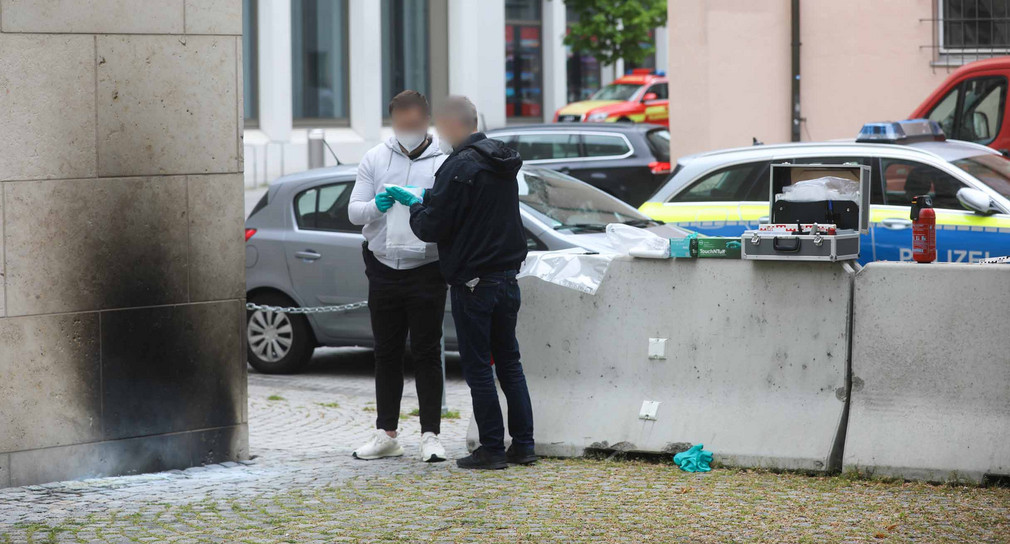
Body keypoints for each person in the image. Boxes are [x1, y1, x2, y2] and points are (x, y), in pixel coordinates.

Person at [385, 96, 536, 470]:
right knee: (510, 363)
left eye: (438, 125)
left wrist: (416, 205)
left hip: (474, 281)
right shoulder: (501, 159)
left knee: (479, 367)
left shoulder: (460, 165)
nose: (437, 133)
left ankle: (491, 450)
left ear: (453, 125)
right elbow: (474, 212)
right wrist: (432, 199)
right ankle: (524, 445)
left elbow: (432, 227)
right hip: (506, 277)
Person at [347, 90, 448, 463]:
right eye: (400, 122)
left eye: (414, 122)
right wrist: (378, 205)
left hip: (427, 268)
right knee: (386, 353)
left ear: (426, 121)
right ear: (393, 121)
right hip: (383, 268)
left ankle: (431, 435)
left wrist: (423, 199)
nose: (407, 127)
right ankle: (386, 433)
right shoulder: (375, 157)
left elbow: (451, 211)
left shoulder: (445, 160)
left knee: (426, 353)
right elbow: (354, 212)